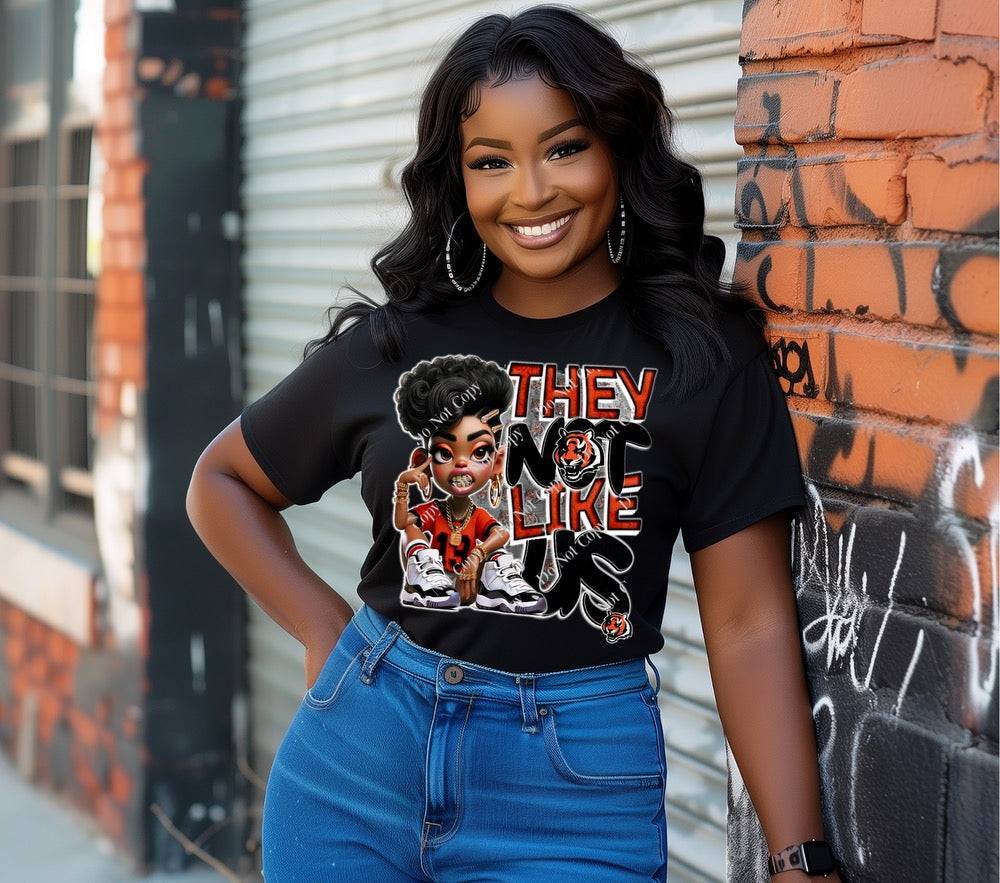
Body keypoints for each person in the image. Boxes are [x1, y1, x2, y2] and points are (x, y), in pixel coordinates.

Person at [186, 6, 842, 881]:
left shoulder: (699, 357)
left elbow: (748, 621)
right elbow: (221, 481)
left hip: (572, 785)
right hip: (359, 763)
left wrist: (799, 854)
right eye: (490, 162)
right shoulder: (398, 341)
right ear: (457, 182)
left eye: (564, 148)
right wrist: (322, 625)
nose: (530, 192)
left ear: (617, 148)